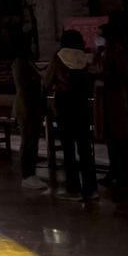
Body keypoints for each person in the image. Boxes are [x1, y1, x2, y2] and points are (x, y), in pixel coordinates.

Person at [47, 28, 96, 200]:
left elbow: (48, 79)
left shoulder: (59, 57)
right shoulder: (84, 56)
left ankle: (73, 189)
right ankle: (91, 189)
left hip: (65, 105)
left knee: (68, 149)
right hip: (82, 105)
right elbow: (91, 79)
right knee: (85, 148)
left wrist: (54, 87)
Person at [98, 15, 128, 192]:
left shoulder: (119, 52)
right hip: (107, 98)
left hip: (116, 98)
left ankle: (122, 176)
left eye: (105, 37)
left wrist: (100, 76)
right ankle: (113, 172)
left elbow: (120, 75)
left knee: (119, 138)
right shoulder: (105, 51)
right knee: (111, 138)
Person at [12, 40, 49, 191]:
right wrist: (39, 77)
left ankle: (31, 174)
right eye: (31, 44)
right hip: (27, 106)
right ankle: (27, 175)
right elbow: (23, 82)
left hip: (33, 106)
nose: (34, 46)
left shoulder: (27, 61)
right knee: (28, 142)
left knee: (32, 141)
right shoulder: (19, 62)